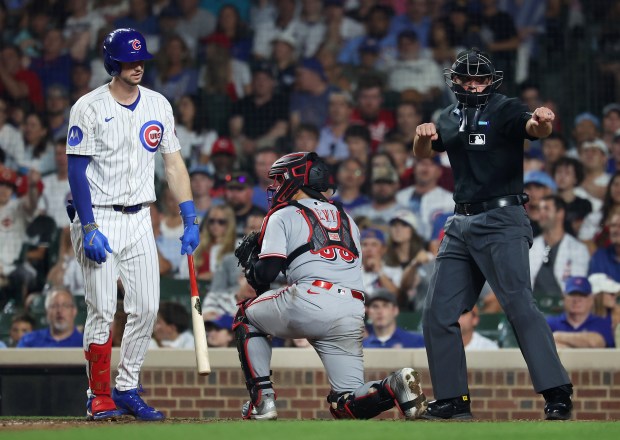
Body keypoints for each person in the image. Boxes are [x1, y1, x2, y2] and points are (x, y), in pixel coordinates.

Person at [413, 49, 573, 420]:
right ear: (455, 82)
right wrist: (423, 135)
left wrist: (543, 121)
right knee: (437, 314)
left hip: (502, 218)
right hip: (460, 223)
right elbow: (423, 153)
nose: (473, 84)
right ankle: (454, 401)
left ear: (491, 81)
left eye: (480, 79)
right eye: (466, 79)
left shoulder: (505, 108)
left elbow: (533, 128)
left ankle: (557, 392)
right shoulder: (447, 117)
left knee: (518, 304)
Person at [65, 28, 199, 422]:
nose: (137, 65)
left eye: (141, 59)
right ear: (112, 62)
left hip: (141, 215)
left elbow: (173, 164)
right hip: (99, 214)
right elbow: (76, 170)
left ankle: (126, 387)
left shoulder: (158, 104)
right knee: (103, 308)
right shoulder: (88, 106)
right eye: (128, 59)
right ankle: (98, 393)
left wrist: (190, 216)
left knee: (145, 307)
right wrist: (87, 226)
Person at [233, 151, 427, 421]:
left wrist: (252, 269)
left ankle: (262, 402)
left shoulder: (283, 214)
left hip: (309, 299)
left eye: (279, 180)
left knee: (245, 315)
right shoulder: (349, 219)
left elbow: (266, 273)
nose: (275, 187)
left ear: (294, 179)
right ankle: (392, 385)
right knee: (345, 404)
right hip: (350, 310)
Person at [529, 195, 590, 298]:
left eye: (546, 209)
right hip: (533, 307)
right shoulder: (529, 248)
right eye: (539, 210)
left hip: (564, 307)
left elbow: (577, 286)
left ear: (560, 213)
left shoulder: (578, 249)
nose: (541, 214)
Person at [546, 276, 615, 348]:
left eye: (582, 295)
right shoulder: (549, 323)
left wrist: (556, 336)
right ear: (564, 297)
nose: (577, 300)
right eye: (572, 294)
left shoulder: (602, 323)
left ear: (591, 299)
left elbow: (596, 342)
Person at [17, 288, 83, 348]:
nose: (60, 311)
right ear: (46, 312)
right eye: (54, 306)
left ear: (74, 311)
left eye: (65, 306)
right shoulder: (29, 341)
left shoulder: (85, 344)